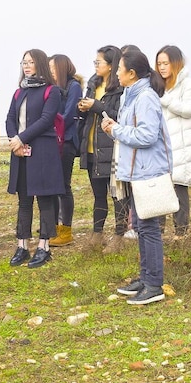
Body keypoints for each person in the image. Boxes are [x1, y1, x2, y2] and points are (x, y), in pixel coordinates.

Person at [101, 49, 170, 305]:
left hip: (147, 172)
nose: (116, 72)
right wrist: (113, 130)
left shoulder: (146, 98)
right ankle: (146, 278)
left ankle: (154, 284)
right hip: (135, 171)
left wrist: (118, 129)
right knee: (141, 227)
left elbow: (147, 136)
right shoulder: (132, 95)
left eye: (119, 69)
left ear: (131, 73)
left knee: (149, 228)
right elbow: (131, 133)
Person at [6, 49, 64, 268]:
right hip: (20, 151)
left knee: (45, 199)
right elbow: (10, 117)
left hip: (42, 150)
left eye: (30, 62)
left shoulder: (52, 91)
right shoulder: (18, 93)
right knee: (24, 200)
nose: (26, 66)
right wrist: (15, 141)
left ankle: (44, 246)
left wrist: (21, 138)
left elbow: (46, 119)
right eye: (24, 62)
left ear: (40, 64)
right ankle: (22, 245)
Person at [77, 46, 129, 251]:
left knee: (117, 195)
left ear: (111, 65)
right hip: (91, 146)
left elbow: (119, 115)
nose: (96, 65)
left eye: (99, 62)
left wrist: (97, 106)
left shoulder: (120, 88)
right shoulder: (93, 83)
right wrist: (82, 108)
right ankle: (96, 234)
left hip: (111, 147)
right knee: (98, 195)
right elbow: (88, 113)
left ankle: (119, 237)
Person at [156, 45, 191, 238]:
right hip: (161, 147)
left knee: (179, 189)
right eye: (159, 64)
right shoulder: (157, 86)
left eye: (166, 63)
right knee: (160, 191)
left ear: (176, 63)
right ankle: (158, 234)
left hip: (181, 147)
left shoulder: (188, 84)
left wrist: (165, 100)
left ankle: (180, 235)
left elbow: (190, 109)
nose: (162, 67)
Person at [47, 54, 83, 247]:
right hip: (52, 141)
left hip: (66, 141)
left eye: (52, 67)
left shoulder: (73, 86)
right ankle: (51, 227)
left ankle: (66, 229)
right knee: (52, 186)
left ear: (61, 68)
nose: (50, 71)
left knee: (63, 187)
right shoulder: (51, 87)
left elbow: (68, 116)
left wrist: (49, 122)